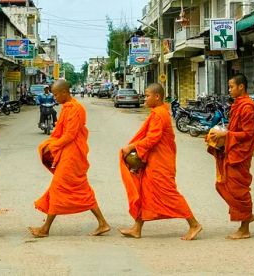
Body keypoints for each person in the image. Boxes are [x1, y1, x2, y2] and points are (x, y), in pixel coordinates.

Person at [119, 83, 202, 240]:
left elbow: (152, 139)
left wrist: (132, 146)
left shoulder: (159, 114)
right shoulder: (158, 112)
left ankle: (194, 224)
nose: (145, 98)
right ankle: (137, 228)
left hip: (161, 162)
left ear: (157, 97)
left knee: (169, 193)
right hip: (154, 160)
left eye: (147, 95)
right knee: (144, 193)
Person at [28, 80, 110, 238]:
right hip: (68, 153)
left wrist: (53, 146)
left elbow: (70, 135)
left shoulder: (75, 108)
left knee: (58, 187)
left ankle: (45, 229)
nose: (55, 97)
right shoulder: (67, 107)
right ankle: (102, 223)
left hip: (73, 155)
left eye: (56, 94)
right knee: (79, 188)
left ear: (65, 92)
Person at [208, 74, 254, 239]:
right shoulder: (238, 105)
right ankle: (246, 216)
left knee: (239, 190)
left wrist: (227, 135)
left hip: (241, 153)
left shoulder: (247, 107)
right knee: (222, 185)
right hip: (232, 151)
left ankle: (244, 228)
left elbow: (248, 133)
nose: (229, 90)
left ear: (241, 87)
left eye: (231, 87)